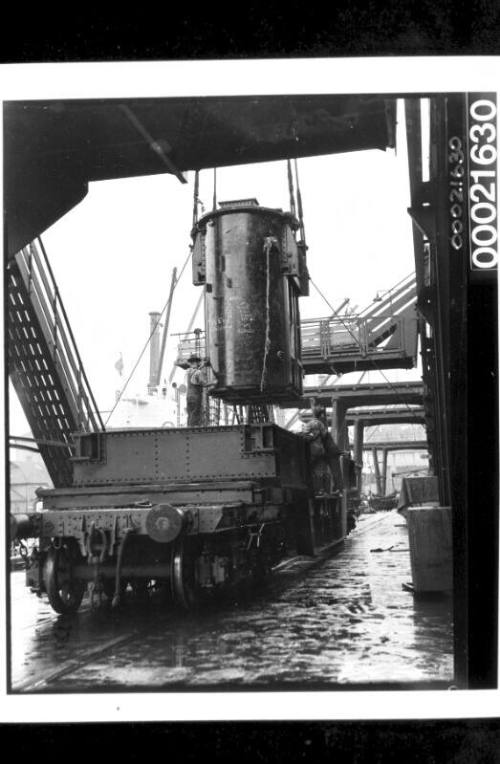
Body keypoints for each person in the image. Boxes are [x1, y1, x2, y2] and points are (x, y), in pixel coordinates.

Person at [176, 354, 211, 427]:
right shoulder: (198, 372)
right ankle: (194, 432)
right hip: (196, 397)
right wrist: (213, 383)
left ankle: (189, 430)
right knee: (196, 415)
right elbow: (204, 383)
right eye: (198, 362)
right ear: (196, 362)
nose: (199, 363)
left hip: (189, 397)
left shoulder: (188, 372)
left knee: (190, 415)